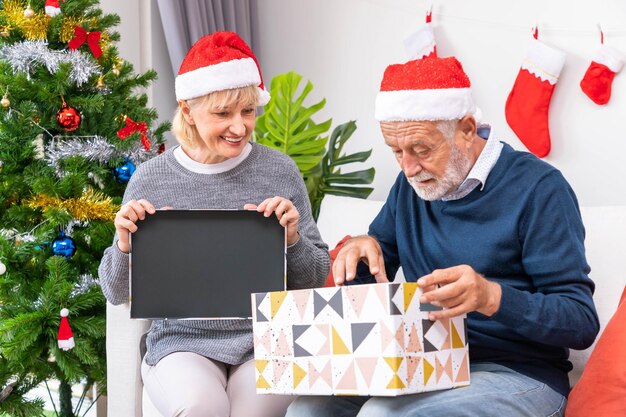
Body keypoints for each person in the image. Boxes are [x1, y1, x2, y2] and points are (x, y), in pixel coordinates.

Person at [286, 57, 599, 416]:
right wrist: (360, 249)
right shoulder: (411, 186)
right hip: (425, 363)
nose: (408, 167)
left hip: (519, 374)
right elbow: (374, 272)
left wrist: (491, 296)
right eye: (396, 151)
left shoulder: (540, 189)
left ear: (467, 128)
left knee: (381, 414)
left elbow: (580, 322)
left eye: (421, 149)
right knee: (307, 409)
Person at [98, 31, 330, 417]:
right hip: (181, 342)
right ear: (187, 111)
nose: (239, 127)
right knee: (201, 407)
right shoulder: (150, 179)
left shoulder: (279, 170)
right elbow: (116, 291)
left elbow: (314, 278)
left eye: (248, 111)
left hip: (266, 342)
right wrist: (124, 245)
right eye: (223, 114)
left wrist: (292, 240)